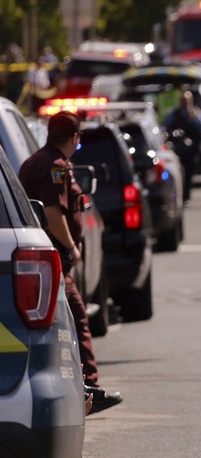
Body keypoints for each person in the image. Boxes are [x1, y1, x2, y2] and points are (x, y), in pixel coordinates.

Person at [17, 111, 123, 415]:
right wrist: (72, 248)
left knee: (66, 323)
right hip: (54, 261)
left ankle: (83, 389)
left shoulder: (33, 161)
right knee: (77, 319)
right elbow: (53, 213)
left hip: (39, 261)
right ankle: (89, 390)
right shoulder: (55, 167)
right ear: (75, 138)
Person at [163, 91, 201, 204]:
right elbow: (164, 130)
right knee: (178, 173)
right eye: (183, 100)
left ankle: (186, 196)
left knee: (189, 173)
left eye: (187, 100)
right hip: (177, 151)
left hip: (192, 151)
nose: (185, 103)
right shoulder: (173, 114)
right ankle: (179, 196)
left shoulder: (196, 114)